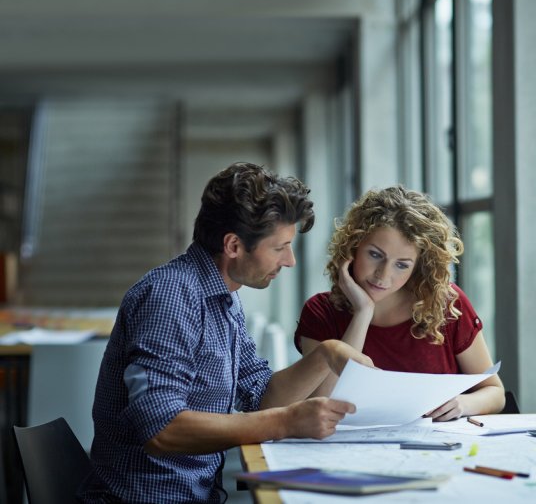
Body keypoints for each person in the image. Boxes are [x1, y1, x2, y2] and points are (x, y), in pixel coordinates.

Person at [78, 162, 372, 503]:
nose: (290, 260)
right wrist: (286, 422)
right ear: (233, 245)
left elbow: (262, 396)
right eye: (279, 247)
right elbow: (161, 428)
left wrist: (327, 354)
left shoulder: (223, 298)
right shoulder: (171, 296)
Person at [294, 185, 505, 421]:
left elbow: (495, 392)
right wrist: (363, 313)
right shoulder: (320, 313)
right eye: (375, 255)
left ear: (418, 267)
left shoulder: (445, 304)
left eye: (402, 265)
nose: (383, 275)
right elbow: (323, 402)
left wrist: (463, 403)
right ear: (353, 247)